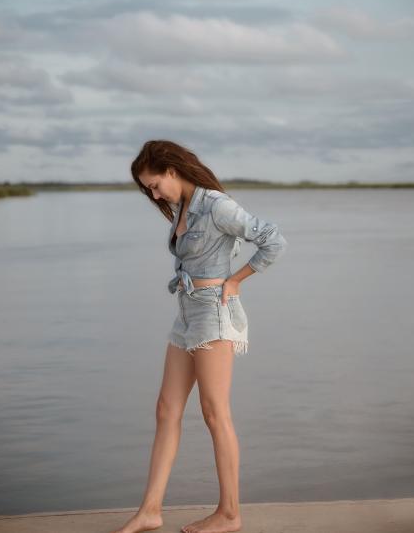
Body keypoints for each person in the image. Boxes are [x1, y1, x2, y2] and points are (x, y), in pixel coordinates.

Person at [110, 139, 288, 533]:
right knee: (165, 409)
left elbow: (273, 240)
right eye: (148, 189)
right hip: (187, 313)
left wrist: (237, 281)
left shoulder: (217, 205)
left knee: (214, 412)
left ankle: (229, 514)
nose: (153, 193)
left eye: (154, 184)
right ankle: (151, 510)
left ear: (171, 170)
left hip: (214, 313)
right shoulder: (181, 208)